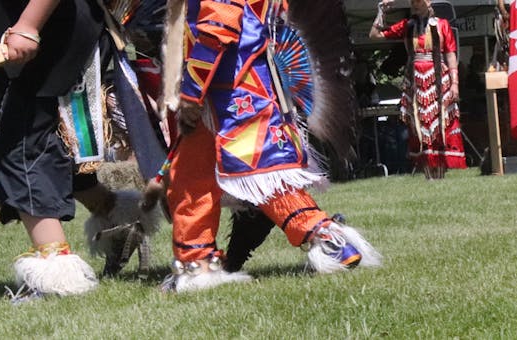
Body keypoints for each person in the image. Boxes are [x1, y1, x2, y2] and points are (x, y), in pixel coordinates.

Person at [159, 0, 381, 292]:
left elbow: (218, 25)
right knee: (248, 176)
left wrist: (191, 92)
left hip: (227, 94)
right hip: (246, 87)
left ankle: (198, 265)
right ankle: (328, 240)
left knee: (203, 181)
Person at [0, 0, 103, 301]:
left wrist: (29, 24)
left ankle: (56, 276)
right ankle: (117, 222)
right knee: (51, 148)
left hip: (49, 32)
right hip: (45, 34)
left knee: (22, 149)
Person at [369, 0, 466, 180]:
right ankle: (429, 174)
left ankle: (441, 174)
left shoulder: (442, 25)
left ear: (428, 4)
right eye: (413, 3)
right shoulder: (407, 26)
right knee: (421, 127)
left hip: (439, 80)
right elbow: (375, 35)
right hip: (416, 83)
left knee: (440, 123)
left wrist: (454, 84)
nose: (415, 6)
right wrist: (381, 12)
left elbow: (450, 53)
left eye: (419, 3)